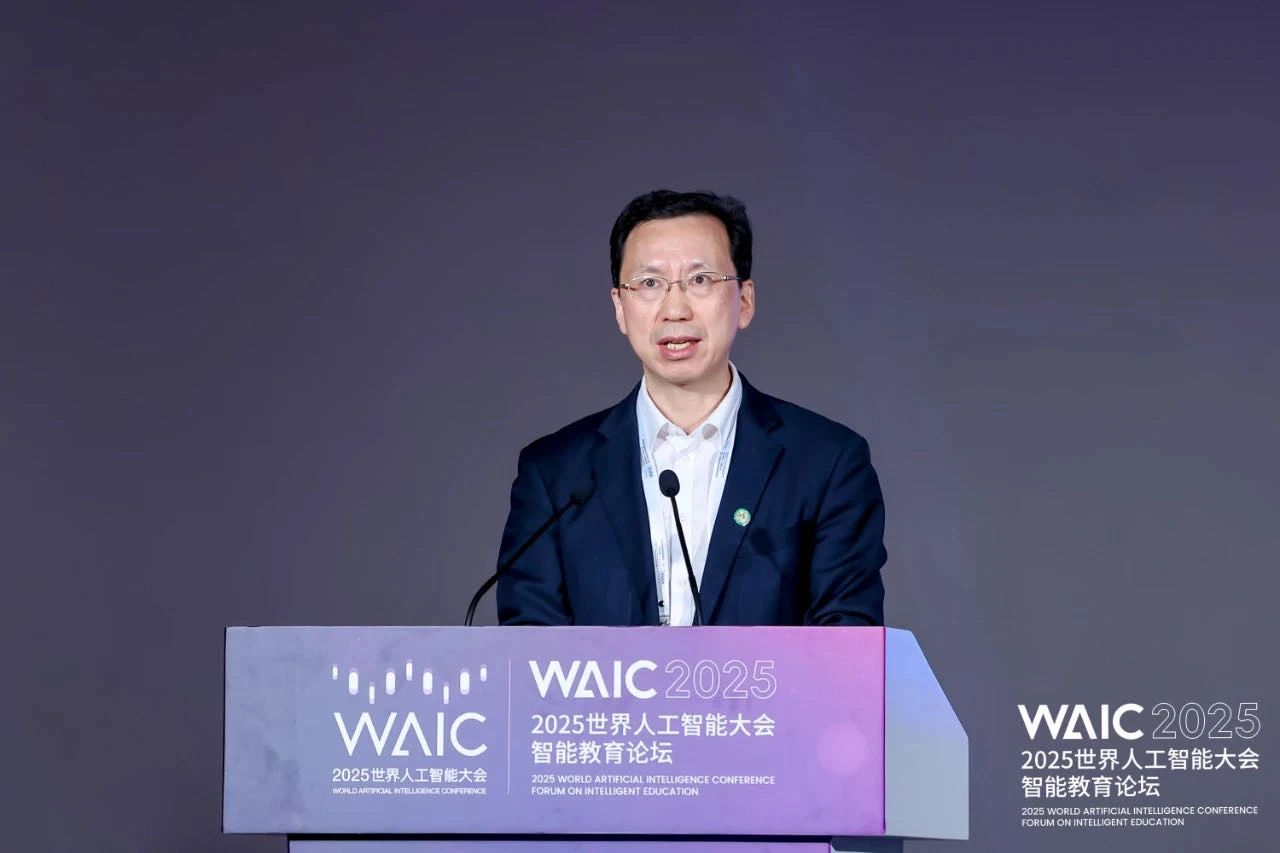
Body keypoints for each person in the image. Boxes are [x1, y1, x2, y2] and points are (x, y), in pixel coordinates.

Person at [495, 189, 887, 626]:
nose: (675, 310)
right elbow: (528, 646)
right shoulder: (555, 475)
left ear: (745, 301)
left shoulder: (826, 462)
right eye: (649, 284)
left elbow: (847, 637)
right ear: (620, 308)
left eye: (700, 280)